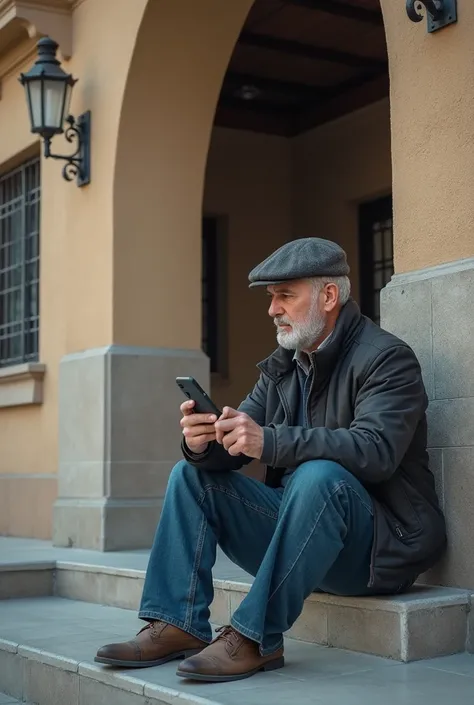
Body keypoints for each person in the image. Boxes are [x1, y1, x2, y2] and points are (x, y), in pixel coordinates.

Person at [95, 237, 446, 683]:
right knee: (191, 475)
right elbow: (246, 441)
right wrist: (206, 444)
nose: (272, 309)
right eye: (271, 297)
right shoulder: (284, 366)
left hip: (380, 550)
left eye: (285, 295)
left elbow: (375, 451)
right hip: (301, 540)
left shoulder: (386, 359)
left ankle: (255, 636)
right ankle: (177, 623)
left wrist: (269, 441)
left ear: (329, 295)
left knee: (319, 477)